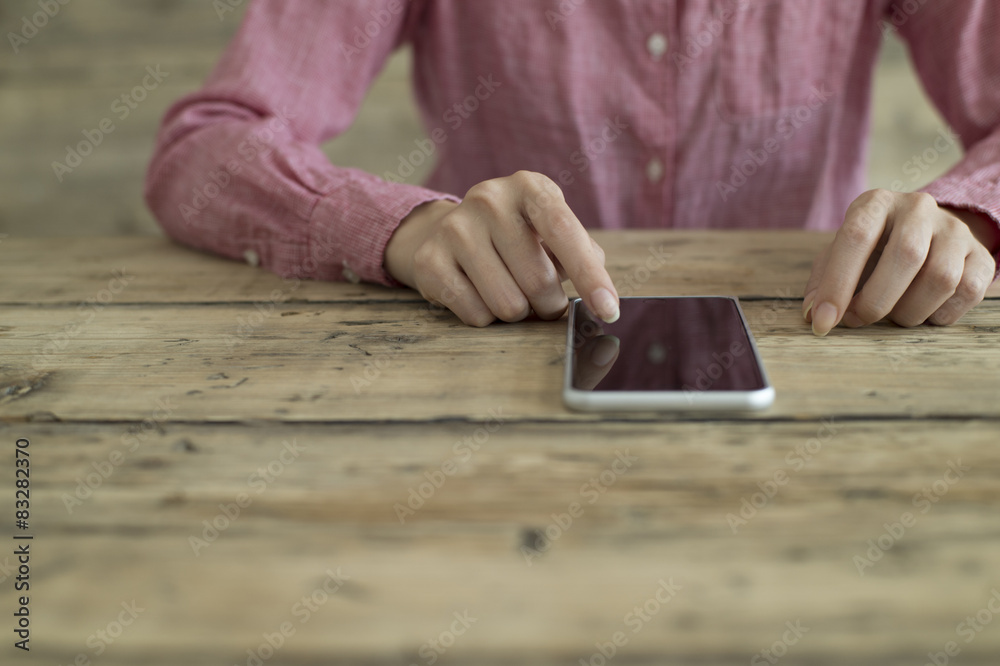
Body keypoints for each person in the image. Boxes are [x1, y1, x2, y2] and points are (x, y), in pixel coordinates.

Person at [145, 0, 1000, 336]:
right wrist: (406, 228)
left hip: (813, 368)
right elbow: (207, 145)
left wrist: (959, 219)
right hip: (485, 370)